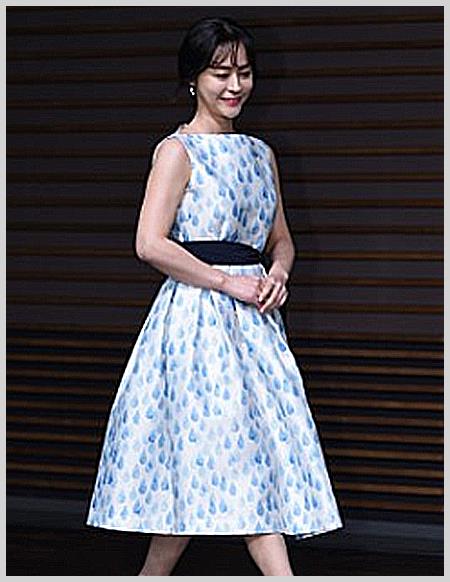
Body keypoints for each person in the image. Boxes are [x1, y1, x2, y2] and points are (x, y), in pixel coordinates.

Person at [84, 16, 344, 576]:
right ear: (193, 78)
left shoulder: (260, 153)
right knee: (232, 455)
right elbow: (150, 243)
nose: (235, 86)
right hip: (198, 322)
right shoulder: (177, 151)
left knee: (229, 460)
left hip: (255, 325)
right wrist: (228, 282)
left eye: (244, 73)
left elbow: (281, 240)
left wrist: (278, 273)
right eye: (220, 73)